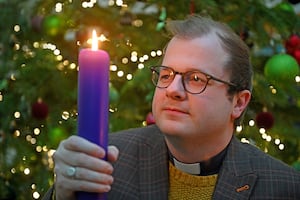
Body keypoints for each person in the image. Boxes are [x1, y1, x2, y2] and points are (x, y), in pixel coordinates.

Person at [43, 15, 300, 200]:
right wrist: (62, 195)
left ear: (238, 102)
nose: (173, 90)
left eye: (196, 79)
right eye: (166, 75)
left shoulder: (284, 187)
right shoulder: (103, 161)